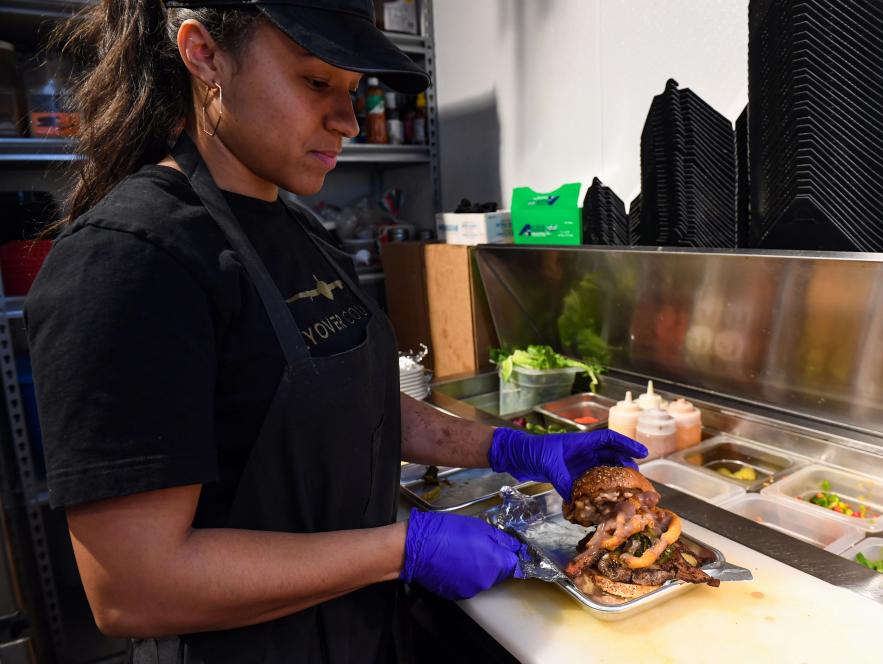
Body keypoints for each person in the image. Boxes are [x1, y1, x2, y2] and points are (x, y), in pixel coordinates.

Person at [24, 1, 650, 662]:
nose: (347, 121)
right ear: (203, 54)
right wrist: (400, 549)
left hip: (357, 634)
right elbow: (134, 588)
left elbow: (353, 399)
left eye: (353, 92)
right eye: (316, 82)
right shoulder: (130, 260)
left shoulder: (299, 228)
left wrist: (514, 448)